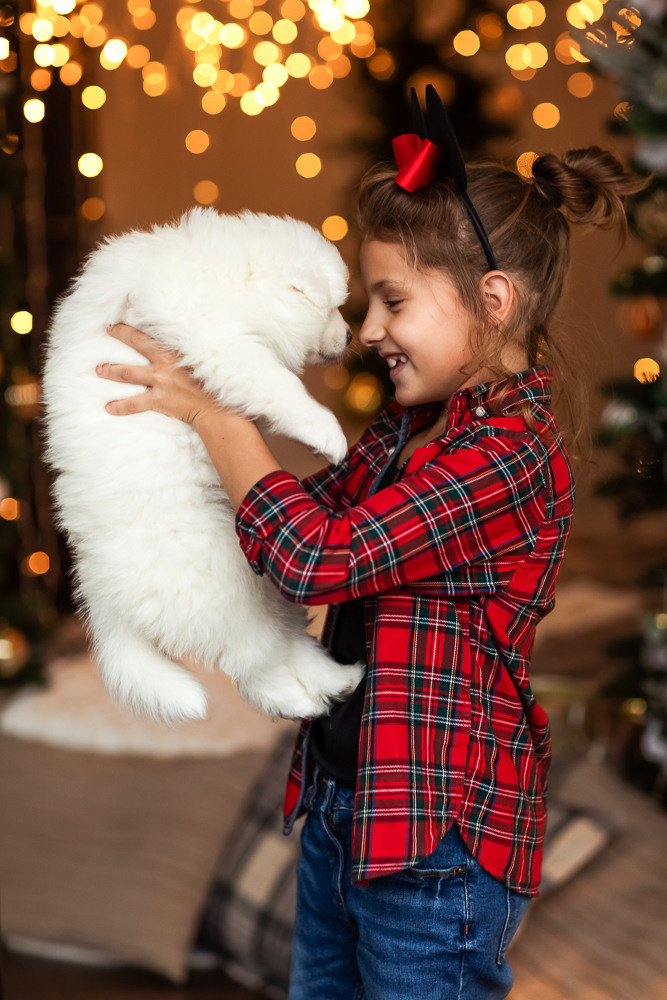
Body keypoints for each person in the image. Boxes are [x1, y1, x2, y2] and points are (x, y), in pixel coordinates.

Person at [95, 94, 642, 998]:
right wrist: (176, 436)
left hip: (437, 841)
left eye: (392, 300)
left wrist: (220, 419)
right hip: (346, 812)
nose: (369, 329)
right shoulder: (405, 430)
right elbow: (284, 523)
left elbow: (318, 557)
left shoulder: (505, 456)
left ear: (493, 302)